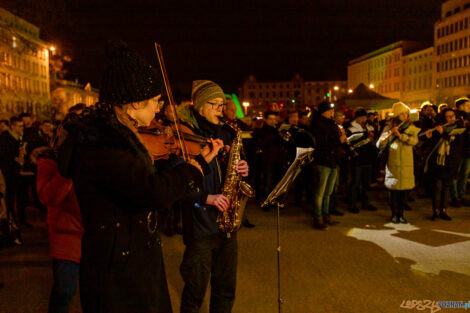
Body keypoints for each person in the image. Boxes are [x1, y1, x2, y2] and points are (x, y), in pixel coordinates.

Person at [57, 41, 219, 313]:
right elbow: (152, 192)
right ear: (134, 102)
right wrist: (195, 167)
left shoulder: (119, 136)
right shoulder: (104, 142)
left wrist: (177, 164)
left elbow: (144, 184)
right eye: (156, 102)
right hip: (118, 270)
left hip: (130, 259)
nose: (159, 110)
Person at [178, 80, 249, 313]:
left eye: (222, 104)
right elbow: (176, 184)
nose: (221, 110)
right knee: (195, 290)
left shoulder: (228, 132)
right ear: (199, 106)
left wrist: (243, 169)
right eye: (215, 104)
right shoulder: (184, 136)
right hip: (200, 224)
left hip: (227, 223)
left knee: (226, 288)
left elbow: (236, 166)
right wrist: (206, 197)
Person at [34, 144, 83, 313]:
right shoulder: (50, 160)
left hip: (93, 234)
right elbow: (48, 196)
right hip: (66, 237)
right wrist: (65, 172)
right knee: (64, 292)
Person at [377, 102, 419, 224]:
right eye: (403, 113)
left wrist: (401, 136)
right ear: (397, 114)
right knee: (394, 192)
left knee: (405, 192)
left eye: (406, 113)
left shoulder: (411, 128)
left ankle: (401, 214)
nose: (406, 116)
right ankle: (394, 214)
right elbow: (379, 145)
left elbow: (414, 141)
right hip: (393, 163)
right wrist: (385, 138)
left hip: (407, 163)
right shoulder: (388, 127)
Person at [310, 102, 346, 229]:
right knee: (320, 192)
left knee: (328, 192)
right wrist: (339, 140)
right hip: (323, 161)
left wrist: (341, 137)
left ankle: (326, 215)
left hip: (333, 161)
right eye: (330, 111)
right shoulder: (318, 125)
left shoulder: (332, 124)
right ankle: (318, 218)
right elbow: (322, 144)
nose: (332, 113)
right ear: (323, 112)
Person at [425, 108, 464, 220]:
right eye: (448, 116)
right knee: (437, 187)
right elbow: (432, 144)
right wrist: (429, 135)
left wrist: (444, 134)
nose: (451, 118)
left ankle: (444, 210)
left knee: (446, 187)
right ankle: (435, 210)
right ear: (444, 118)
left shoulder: (459, 129)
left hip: (450, 162)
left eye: (452, 116)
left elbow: (457, 144)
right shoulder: (438, 128)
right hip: (438, 162)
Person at [346, 109, 378, 213]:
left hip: (368, 159)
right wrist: (366, 138)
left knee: (367, 183)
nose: (364, 119)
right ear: (357, 118)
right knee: (355, 183)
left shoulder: (369, 127)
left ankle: (366, 202)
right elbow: (349, 142)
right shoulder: (351, 129)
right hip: (357, 159)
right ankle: (352, 204)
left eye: (365, 117)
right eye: (362, 117)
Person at [451, 98, 470, 207]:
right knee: (455, 174)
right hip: (457, 150)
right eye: (467, 105)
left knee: (464, 174)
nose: (469, 107)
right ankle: (455, 197)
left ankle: (462, 195)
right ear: (460, 106)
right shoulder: (455, 117)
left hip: (468, 151)